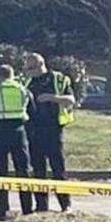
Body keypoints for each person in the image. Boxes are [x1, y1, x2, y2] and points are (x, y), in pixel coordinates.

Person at [0, 64, 34, 220]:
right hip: (19, 132)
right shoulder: (23, 89)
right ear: (13, 75)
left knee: (1, 172)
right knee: (23, 171)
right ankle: (27, 209)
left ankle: (2, 210)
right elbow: (33, 111)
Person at [22, 52, 75, 212]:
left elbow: (71, 100)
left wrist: (52, 98)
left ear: (40, 65)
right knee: (38, 170)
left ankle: (65, 205)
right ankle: (41, 206)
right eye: (26, 68)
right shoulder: (27, 82)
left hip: (53, 129)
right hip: (33, 130)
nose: (28, 71)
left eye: (30, 68)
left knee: (58, 169)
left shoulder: (58, 79)